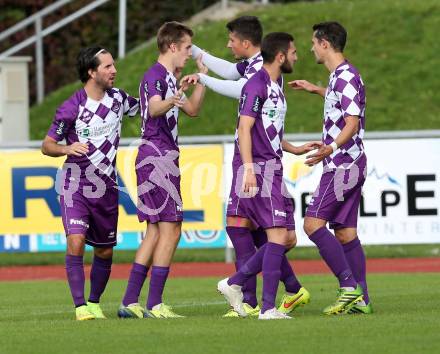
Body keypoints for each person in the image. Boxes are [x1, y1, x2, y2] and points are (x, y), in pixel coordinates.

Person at [186, 16, 315, 317]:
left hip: (270, 164)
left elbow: (268, 128)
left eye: (232, 39)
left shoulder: (273, 84)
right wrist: (248, 167)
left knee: (280, 237)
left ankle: (245, 288)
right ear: (280, 56)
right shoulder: (257, 82)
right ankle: (263, 303)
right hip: (259, 167)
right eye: (294, 52)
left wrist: (293, 148)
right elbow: (245, 127)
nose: (298, 56)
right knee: (273, 235)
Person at [41, 46, 139, 321]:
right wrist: (66, 149)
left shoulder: (118, 99)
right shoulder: (71, 107)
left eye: (113, 65)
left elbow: (145, 107)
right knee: (76, 240)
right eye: (107, 66)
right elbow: (47, 145)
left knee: (105, 250)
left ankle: (94, 302)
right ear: (91, 72)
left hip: (106, 186)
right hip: (75, 183)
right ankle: (80, 306)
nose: (114, 70)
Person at [118, 21, 207, 319]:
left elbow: (193, 111)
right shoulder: (156, 76)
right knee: (172, 228)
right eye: (186, 49)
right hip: (158, 157)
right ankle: (155, 303)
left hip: (158, 157)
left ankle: (130, 301)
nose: (188, 54)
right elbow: (155, 107)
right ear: (172, 47)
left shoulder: (168, 78)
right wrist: (173, 97)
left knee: (155, 232)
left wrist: (202, 81)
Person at [289, 21, 371, 314]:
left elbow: (352, 121)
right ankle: (362, 301)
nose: (311, 47)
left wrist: (331, 147)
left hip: (343, 164)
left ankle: (349, 288)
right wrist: (315, 89)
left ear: (325, 43)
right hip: (351, 162)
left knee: (312, 224)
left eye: (313, 42)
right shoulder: (340, 76)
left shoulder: (345, 76)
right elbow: (342, 103)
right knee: (346, 233)